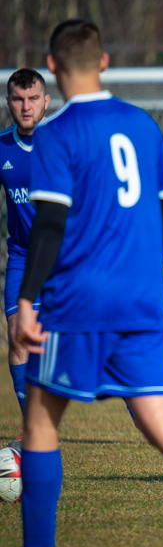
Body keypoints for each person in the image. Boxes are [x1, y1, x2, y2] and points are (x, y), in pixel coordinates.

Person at [0, 19, 163, 547]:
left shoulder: (57, 133)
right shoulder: (141, 125)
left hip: (78, 302)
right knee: (161, 421)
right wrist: (149, 264)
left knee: (40, 423)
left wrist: (25, 302)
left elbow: (47, 225)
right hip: (140, 302)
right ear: (105, 61)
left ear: (55, 68)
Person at [0, 68, 50, 419]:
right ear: (8, 103)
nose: (26, 106)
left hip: (68, 258)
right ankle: (32, 427)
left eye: (33, 98)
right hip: (22, 256)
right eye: (18, 99)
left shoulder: (64, 142)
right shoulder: (2, 146)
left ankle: (144, 415)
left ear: (46, 101)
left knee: (101, 338)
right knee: (17, 334)